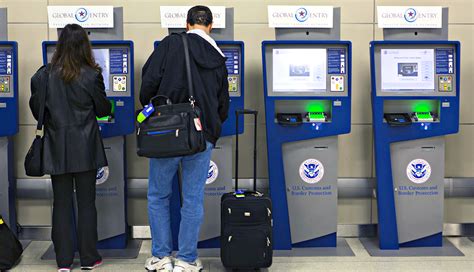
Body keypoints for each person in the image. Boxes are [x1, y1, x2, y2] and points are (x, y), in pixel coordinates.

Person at [140, 5, 230, 272]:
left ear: (187, 23)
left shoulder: (170, 45)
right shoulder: (218, 55)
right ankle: (187, 260)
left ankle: (161, 257)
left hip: (165, 134)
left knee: (158, 195)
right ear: (210, 26)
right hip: (201, 136)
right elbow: (223, 103)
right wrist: (210, 128)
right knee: (193, 199)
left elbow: (148, 86)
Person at [29, 24, 111, 272]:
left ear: (60, 45)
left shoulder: (44, 75)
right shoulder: (92, 74)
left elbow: (37, 111)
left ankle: (63, 261)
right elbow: (103, 109)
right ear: (84, 46)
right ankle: (89, 258)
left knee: (62, 203)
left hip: (56, 147)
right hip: (85, 147)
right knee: (86, 204)